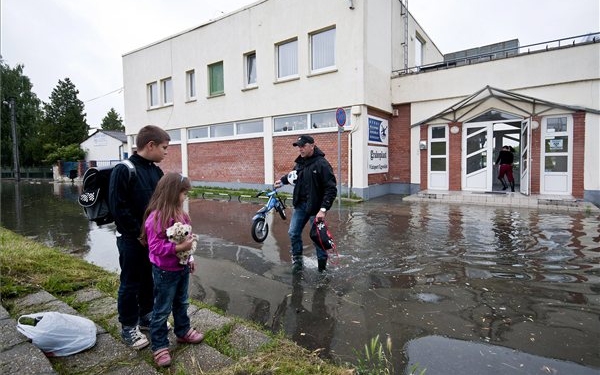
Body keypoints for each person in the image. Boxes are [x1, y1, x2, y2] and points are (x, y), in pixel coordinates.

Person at [108, 125, 170, 350]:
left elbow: (162, 204)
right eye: (164, 147)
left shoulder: (156, 171)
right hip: (130, 239)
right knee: (130, 283)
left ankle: (147, 315)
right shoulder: (124, 169)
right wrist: (138, 234)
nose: (166, 152)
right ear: (150, 145)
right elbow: (119, 208)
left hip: (152, 239)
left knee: (149, 279)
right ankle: (128, 327)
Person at [140, 172, 204, 368]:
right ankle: (159, 346)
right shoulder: (155, 218)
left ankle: (183, 331)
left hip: (182, 268)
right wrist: (178, 248)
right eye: (183, 192)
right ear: (171, 192)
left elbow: (187, 239)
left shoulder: (182, 215)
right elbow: (155, 247)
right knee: (161, 309)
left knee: (182, 302)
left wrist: (189, 256)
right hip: (165, 271)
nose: (185, 196)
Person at [275, 135, 337, 273]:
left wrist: (323, 209)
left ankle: (322, 267)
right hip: (300, 206)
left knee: (317, 237)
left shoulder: (322, 164)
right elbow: (294, 175)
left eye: (303, 146)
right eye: (298, 146)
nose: (300, 149)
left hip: (315, 208)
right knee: (293, 232)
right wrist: (282, 181)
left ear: (312, 145)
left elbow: (331, 189)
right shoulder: (300, 162)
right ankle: (297, 260)